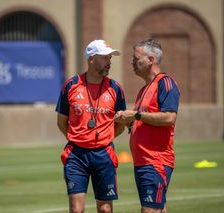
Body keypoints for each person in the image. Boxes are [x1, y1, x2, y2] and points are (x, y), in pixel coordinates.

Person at [56, 39, 126, 213]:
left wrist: (103, 138)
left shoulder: (115, 88)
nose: (109, 62)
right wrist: (79, 138)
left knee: (105, 209)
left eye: (110, 58)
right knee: (76, 209)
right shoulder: (71, 85)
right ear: (91, 59)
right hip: (76, 155)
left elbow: (121, 125)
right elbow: (61, 122)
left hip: (104, 154)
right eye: (105, 58)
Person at [114, 39, 180, 213]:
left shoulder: (165, 83)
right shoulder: (143, 90)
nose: (132, 62)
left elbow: (169, 118)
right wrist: (128, 121)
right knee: (159, 209)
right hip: (142, 162)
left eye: (136, 59)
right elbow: (143, 120)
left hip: (155, 162)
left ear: (151, 60)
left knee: (149, 210)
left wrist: (135, 115)